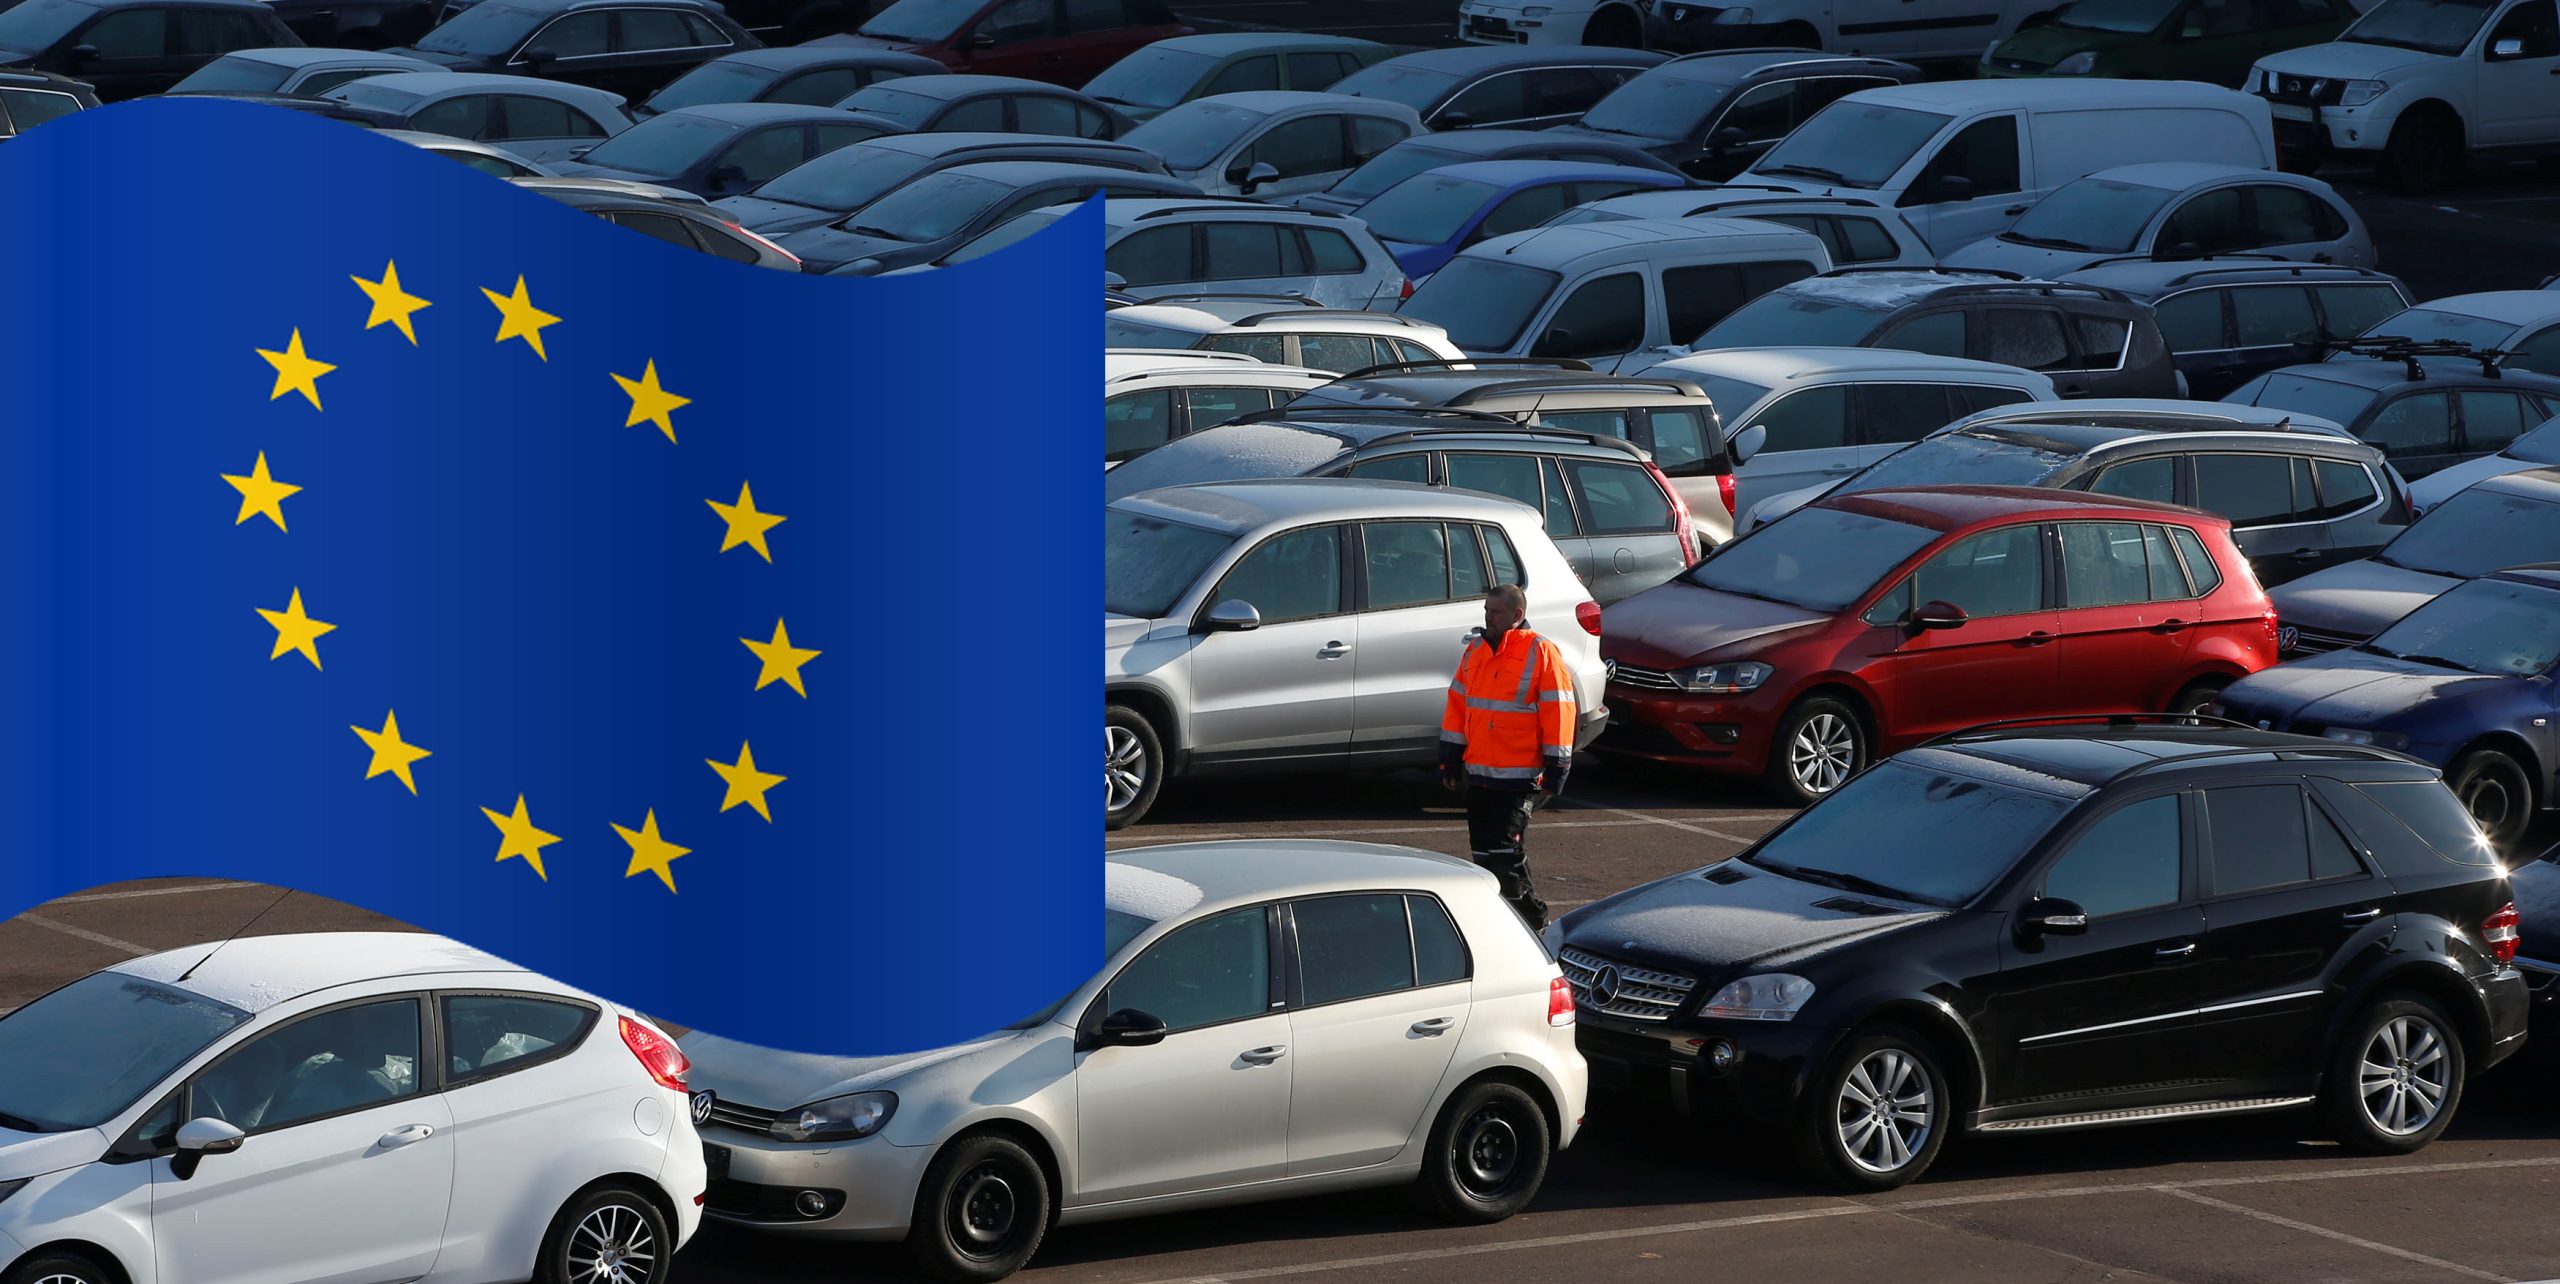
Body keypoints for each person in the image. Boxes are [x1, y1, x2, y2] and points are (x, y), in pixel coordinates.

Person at [1439, 583, 1575, 928]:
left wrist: (1557, 768)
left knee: (1504, 854)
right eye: (1486, 610)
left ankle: (1533, 921)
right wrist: (1450, 759)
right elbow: (1458, 707)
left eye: (1495, 612)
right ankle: (1503, 921)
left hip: (1518, 775)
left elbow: (1559, 710)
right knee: (1483, 855)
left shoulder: (1541, 651)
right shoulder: (1475, 651)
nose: (1488, 617)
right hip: (1480, 773)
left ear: (1517, 615)